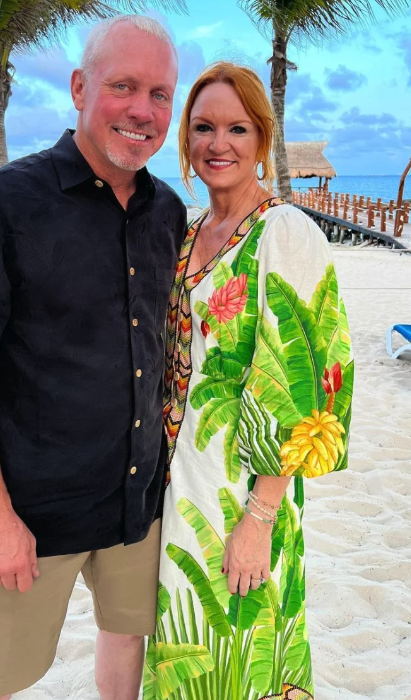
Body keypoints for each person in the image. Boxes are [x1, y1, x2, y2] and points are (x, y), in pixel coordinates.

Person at [0, 15, 187, 700]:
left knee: (127, 641)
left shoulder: (169, 211)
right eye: (123, 86)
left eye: (159, 93)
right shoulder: (1, 203)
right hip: (32, 512)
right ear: (80, 87)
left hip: (137, 502)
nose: (143, 111)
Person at [144, 63, 354, 700]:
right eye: (204, 127)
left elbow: (306, 387)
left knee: (245, 656)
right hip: (181, 486)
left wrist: (260, 518)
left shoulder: (284, 233)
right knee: (188, 654)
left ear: (263, 140)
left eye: (237, 128)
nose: (219, 143)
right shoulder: (187, 236)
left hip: (244, 496)